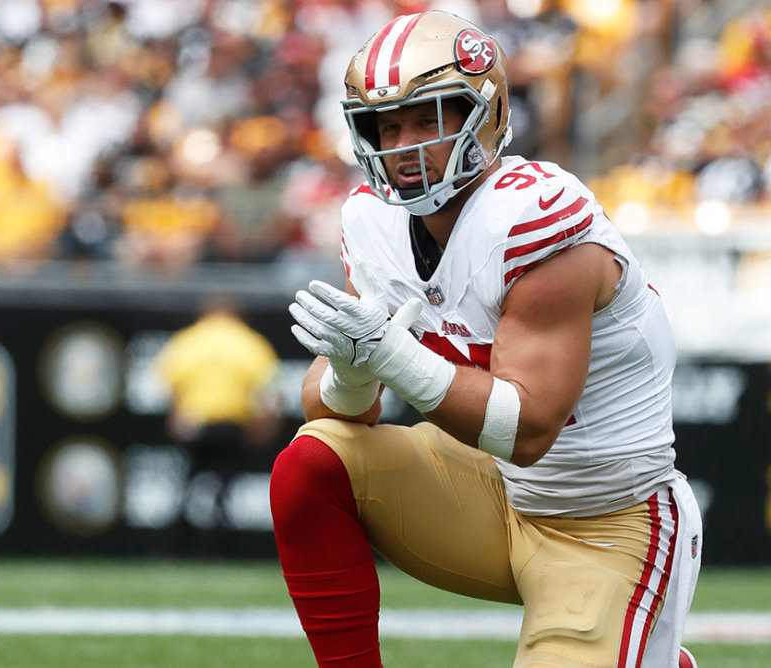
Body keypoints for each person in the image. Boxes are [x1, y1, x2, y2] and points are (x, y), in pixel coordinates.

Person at [269, 11, 701, 668]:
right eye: (388, 126)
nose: (405, 144)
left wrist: (389, 352)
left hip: (609, 520)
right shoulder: (372, 219)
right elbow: (337, 411)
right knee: (312, 461)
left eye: (428, 119)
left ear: (484, 113)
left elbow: (527, 432)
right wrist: (352, 371)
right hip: (492, 495)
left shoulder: (537, 214)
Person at [156, 296, 283, 532]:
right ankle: (222, 530)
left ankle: (180, 534)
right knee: (227, 479)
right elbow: (271, 391)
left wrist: (174, 419)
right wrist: (265, 427)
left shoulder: (188, 340)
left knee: (189, 480)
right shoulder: (250, 341)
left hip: (195, 425)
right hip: (232, 427)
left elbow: (168, 384)